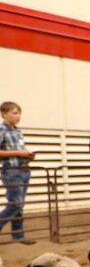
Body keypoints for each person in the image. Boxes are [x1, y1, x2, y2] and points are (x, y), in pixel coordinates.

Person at [0, 101, 36, 245]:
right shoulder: (2, 130)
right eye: (14, 113)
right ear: (4, 113)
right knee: (15, 203)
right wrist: (19, 152)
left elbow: (19, 149)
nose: (18, 116)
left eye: (19, 113)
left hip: (23, 169)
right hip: (11, 170)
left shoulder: (17, 131)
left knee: (19, 205)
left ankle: (18, 235)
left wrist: (27, 155)